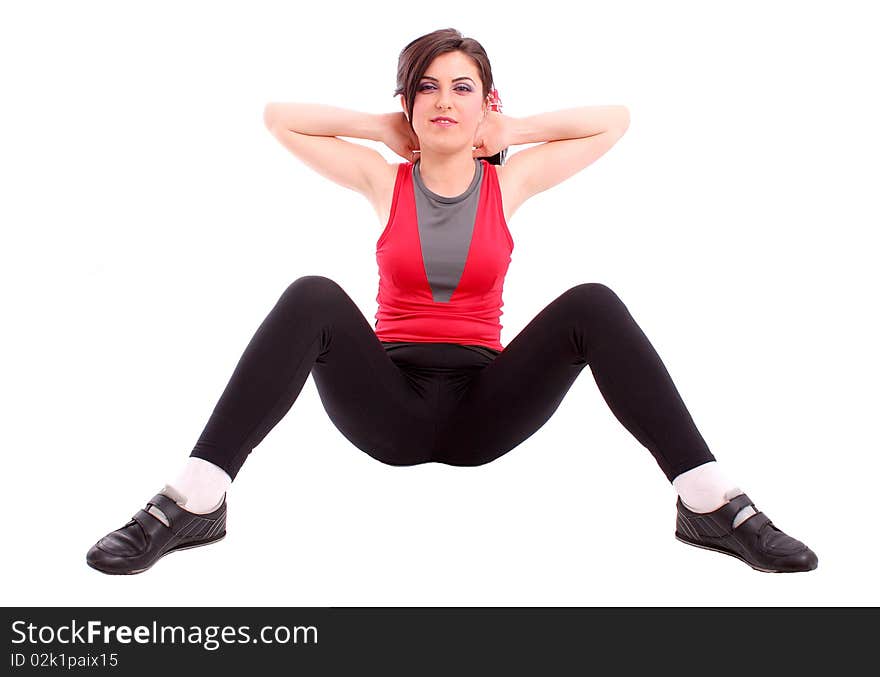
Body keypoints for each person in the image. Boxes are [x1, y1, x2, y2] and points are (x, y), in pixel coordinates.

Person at [87, 27, 817, 576]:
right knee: (311, 294)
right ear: (408, 102)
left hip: (483, 408)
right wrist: (382, 128)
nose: (443, 101)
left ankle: (710, 503)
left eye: (461, 87)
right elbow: (279, 115)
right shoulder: (383, 180)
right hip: (388, 404)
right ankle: (194, 500)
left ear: (486, 101)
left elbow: (615, 119)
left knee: (592, 302)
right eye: (427, 87)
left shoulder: (511, 183)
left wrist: (513, 132)